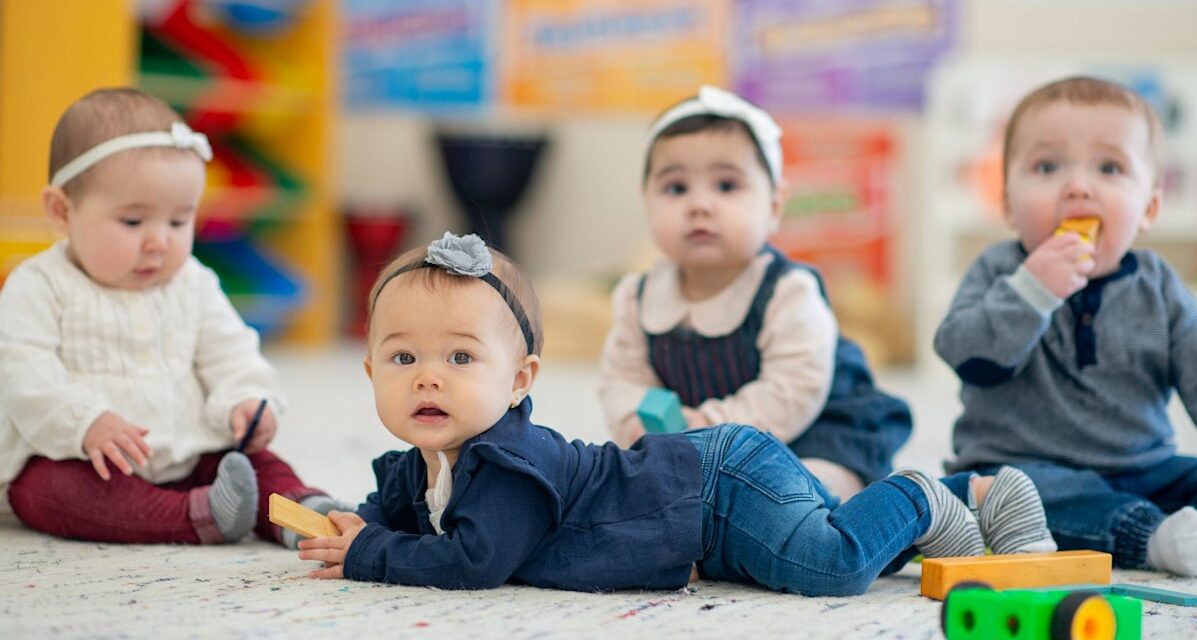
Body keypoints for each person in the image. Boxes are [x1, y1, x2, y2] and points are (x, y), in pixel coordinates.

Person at [294, 232, 1053, 594]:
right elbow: (388, 512)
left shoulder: (504, 463)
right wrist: (338, 524)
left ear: (520, 381)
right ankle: (975, 506)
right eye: (402, 360)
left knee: (830, 568)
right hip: (700, 513)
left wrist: (368, 556)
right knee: (824, 543)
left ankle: (924, 494)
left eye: (461, 359)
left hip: (715, 487)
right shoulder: (422, 465)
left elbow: (474, 561)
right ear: (369, 372)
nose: (429, 379)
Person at [0, 87, 338, 547]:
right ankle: (193, 516)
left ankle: (302, 512)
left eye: (179, 222)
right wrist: (86, 423)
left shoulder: (192, 282)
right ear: (62, 211)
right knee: (52, 492)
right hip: (80, 458)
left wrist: (246, 400)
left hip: (189, 448)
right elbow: (24, 375)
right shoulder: (38, 285)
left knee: (257, 463)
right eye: (134, 222)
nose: (160, 241)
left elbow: (231, 353)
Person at [935, 76, 1197, 576]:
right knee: (1024, 498)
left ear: (1149, 208)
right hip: (1024, 471)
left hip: (1144, 469)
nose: (1078, 185)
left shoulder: (1159, 286)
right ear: (1009, 205)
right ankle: (1149, 538)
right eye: (1047, 166)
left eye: (1109, 167)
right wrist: (1034, 289)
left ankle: (1159, 523)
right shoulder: (999, 271)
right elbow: (964, 353)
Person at [598, 85, 910, 501]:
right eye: (676, 189)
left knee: (812, 489)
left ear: (775, 205)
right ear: (648, 202)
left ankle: (881, 507)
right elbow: (623, 379)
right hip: (697, 446)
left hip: (813, 429)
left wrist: (705, 427)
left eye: (726, 186)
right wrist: (635, 420)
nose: (700, 205)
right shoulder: (638, 298)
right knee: (626, 485)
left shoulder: (787, 292)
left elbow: (791, 392)